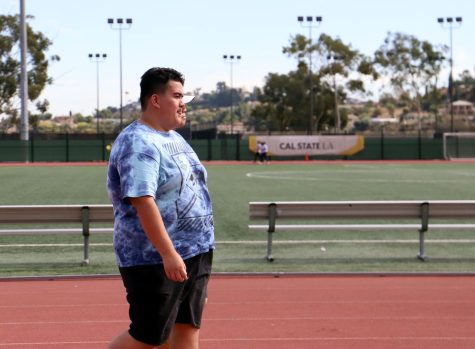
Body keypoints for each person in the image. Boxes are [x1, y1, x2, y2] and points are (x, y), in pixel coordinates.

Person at [107, 67, 215, 349]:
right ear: (155, 100)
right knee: (148, 337)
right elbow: (143, 199)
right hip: (154, 257)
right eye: (177, 96)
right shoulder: (138, 142)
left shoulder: (173, 137)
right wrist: (168, 253)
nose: (184, 104)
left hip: (195, 251)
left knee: (186, 327)